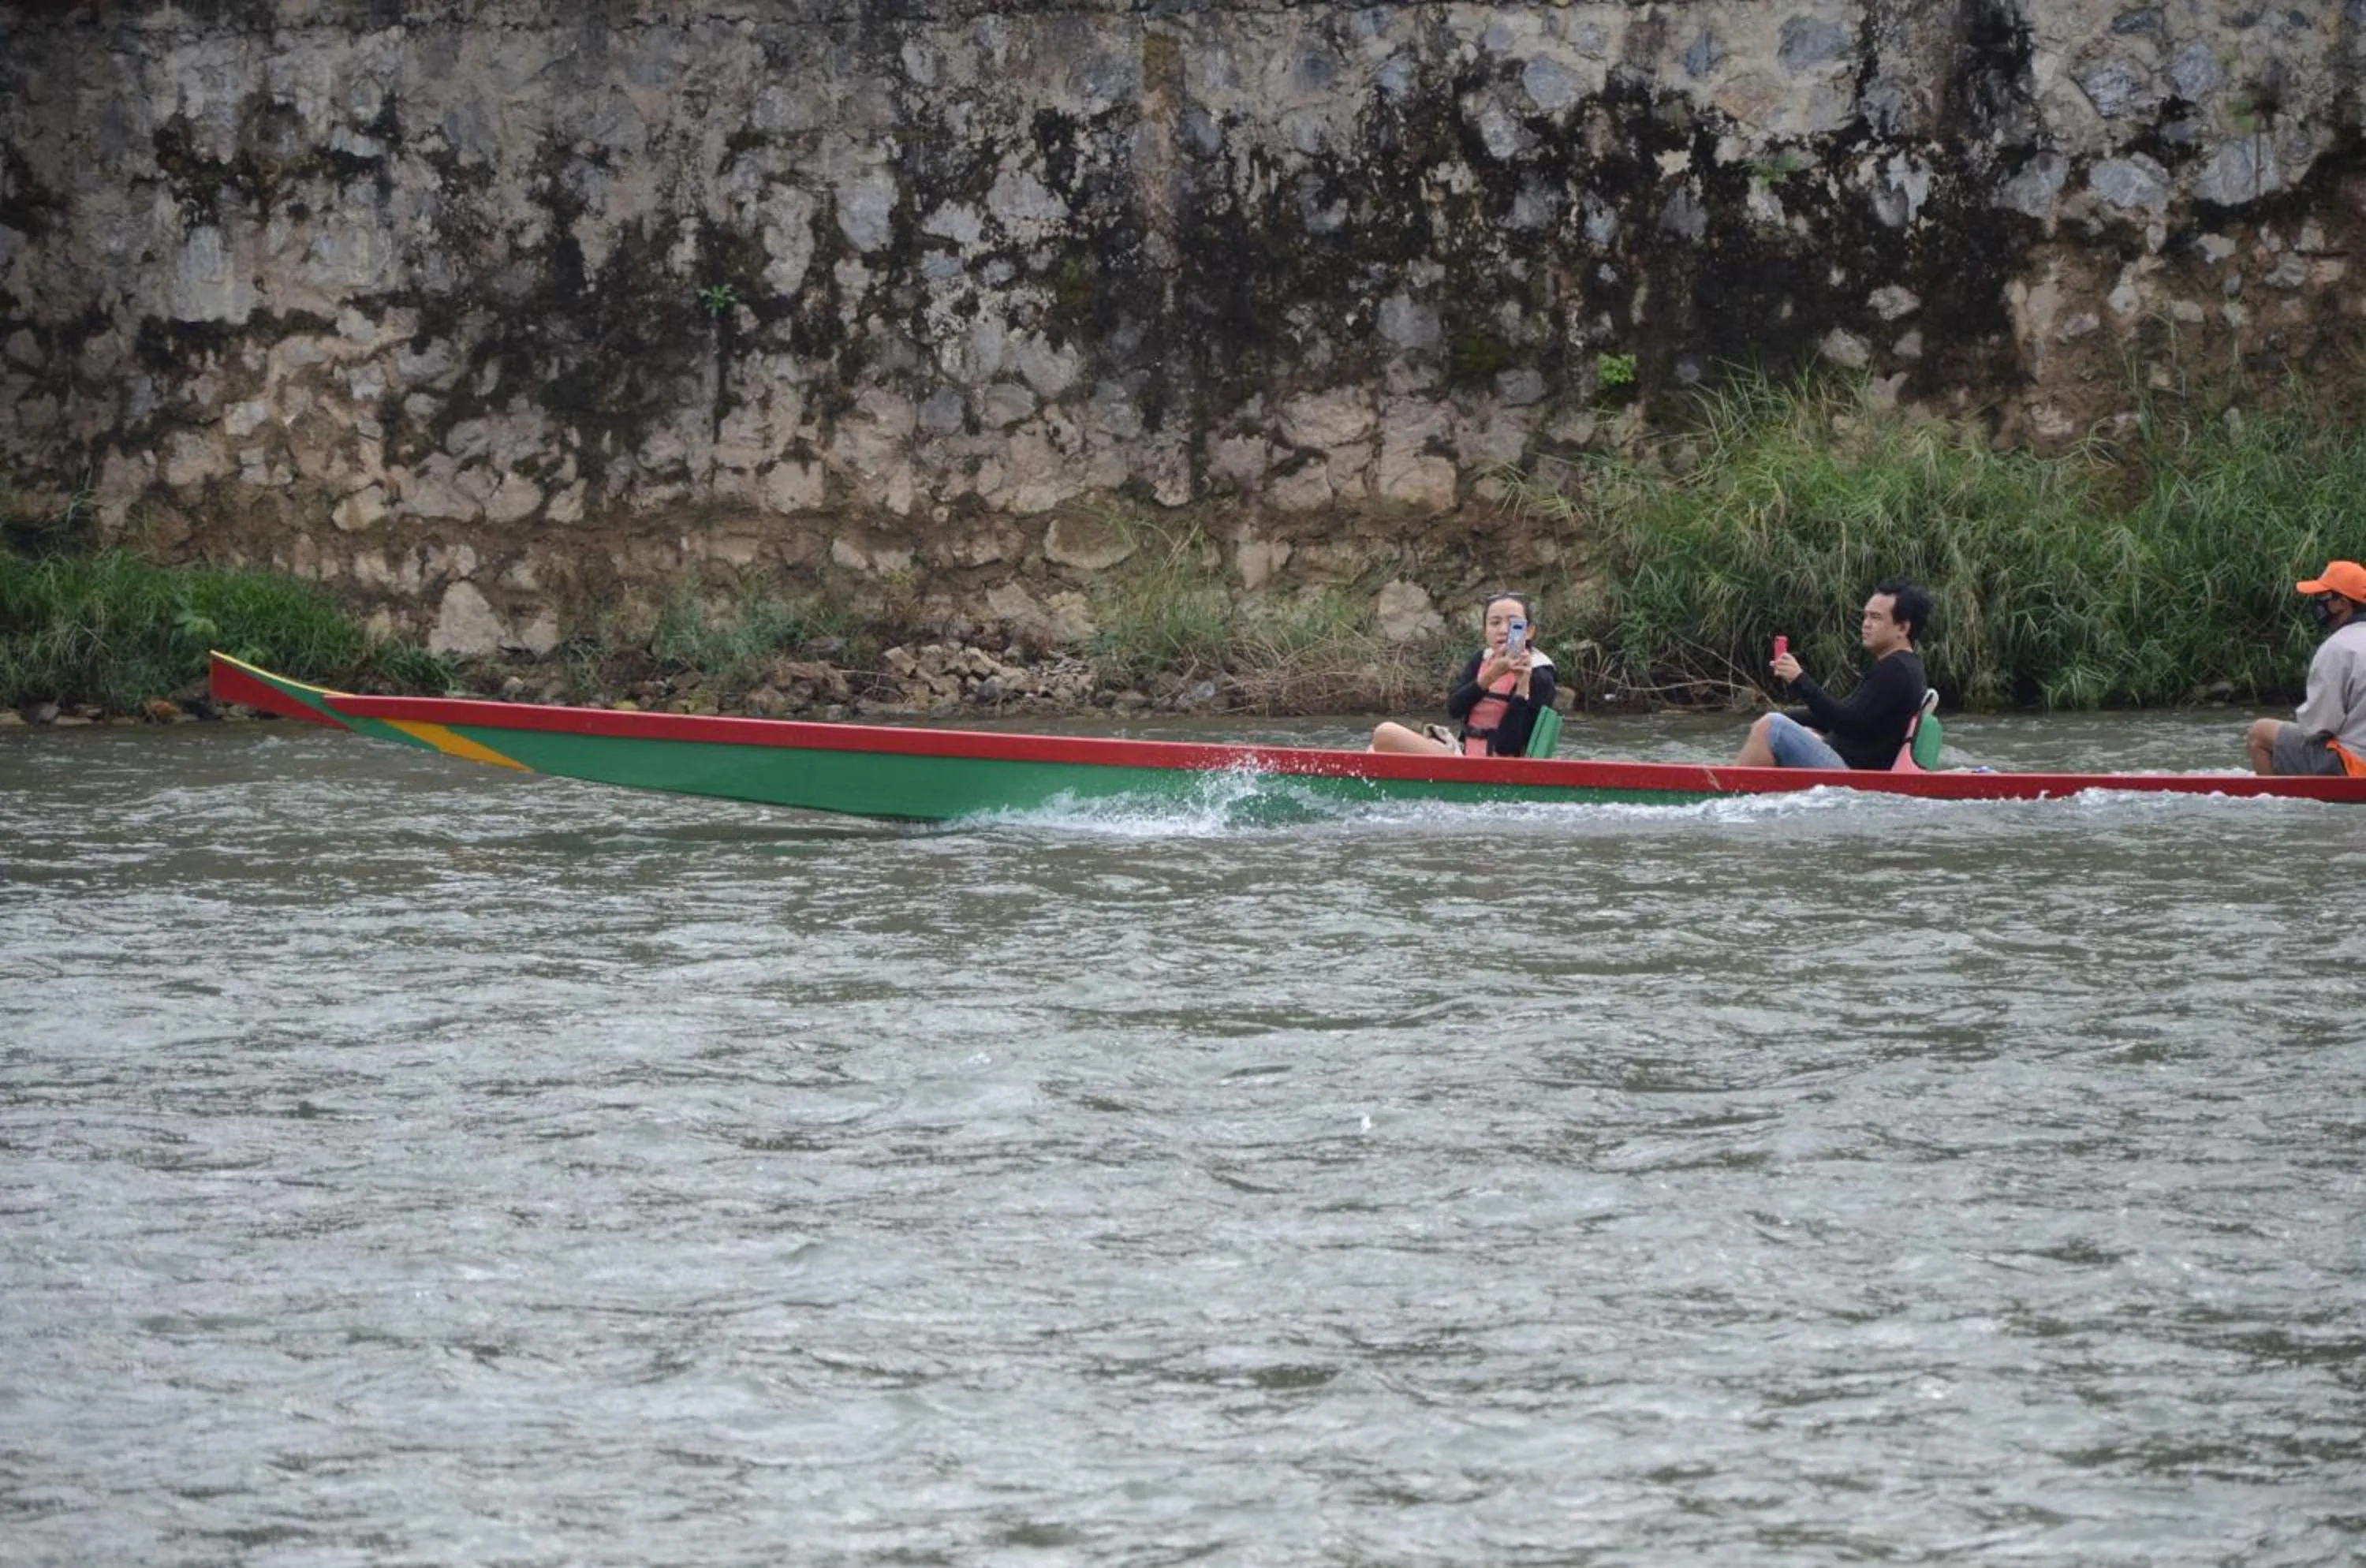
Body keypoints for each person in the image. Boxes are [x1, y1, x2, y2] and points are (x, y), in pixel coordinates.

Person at [1737, 578, 1931, 769]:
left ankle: (1733, 791)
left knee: (1772, 727)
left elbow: (1847, 722)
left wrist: (1799, 680)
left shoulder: (1895, 671)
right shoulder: (1904, 665)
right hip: (1853, 763)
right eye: (1866, 616)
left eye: (1876, 617)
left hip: (1855, 776)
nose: (1866, 624)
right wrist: (1785, 716)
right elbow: (1846, 716)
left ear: (1903, 628)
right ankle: (1754, 791)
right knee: (1782, 724)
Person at [1370, 592, 1558, 756]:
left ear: (1529, 631)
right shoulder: (1482, 660)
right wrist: (1489, 677)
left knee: (1385, 733)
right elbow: (1454, 709)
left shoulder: (1540, 675)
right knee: (1376, 748)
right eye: (1495, 623)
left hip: (1499, 767)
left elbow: (1507, 745)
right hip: (1465, 755)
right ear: (1485, 630)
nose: (1503, 630)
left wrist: (1522, 690)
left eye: (1513, 623)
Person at [2245, 559, 2366, 776]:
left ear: (2342, 603)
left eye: (2323, 596)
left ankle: (2273, 804)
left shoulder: (2337, 647)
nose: (2316, 603)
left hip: (2354, 767)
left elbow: (2319, 726)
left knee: (2259, 733)